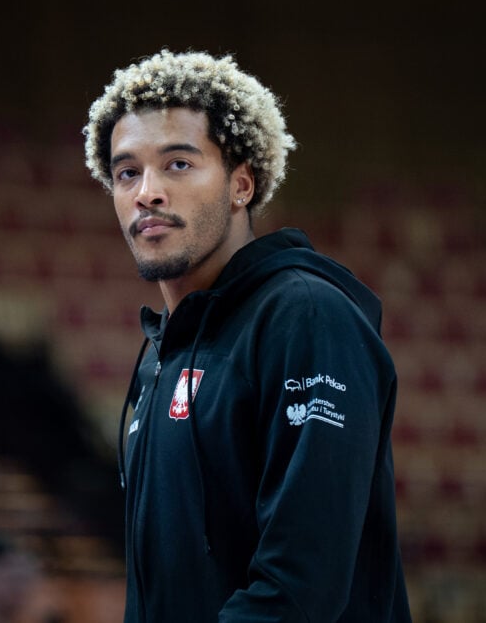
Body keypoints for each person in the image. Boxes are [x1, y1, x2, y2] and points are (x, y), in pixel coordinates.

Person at [82, 49, 411, 621]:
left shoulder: (308, 319)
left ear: (242, 185)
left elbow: (300, 590)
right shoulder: (160, 356)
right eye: (126, 172)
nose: (147, 193)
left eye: (178, 164)